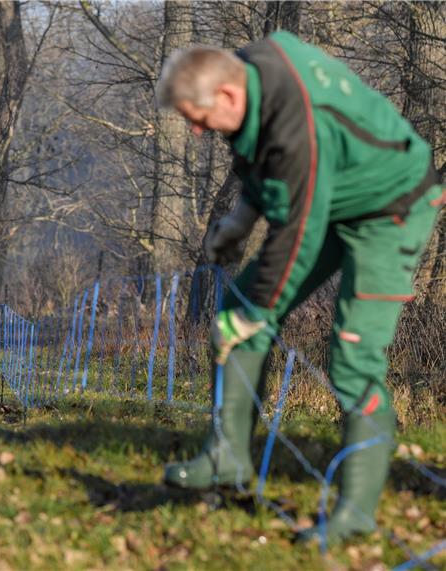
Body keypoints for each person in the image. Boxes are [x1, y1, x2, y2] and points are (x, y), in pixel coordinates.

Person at [156, 32, 441, 543]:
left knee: (352, 357)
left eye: (197, 118)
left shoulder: (294, 119)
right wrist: (239, 221)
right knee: (239, 304)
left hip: (391, 207)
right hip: (334, 196)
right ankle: (228, 458)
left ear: (225, 96)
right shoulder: (247, 75)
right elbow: (256, 160)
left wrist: (256, 312)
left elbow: (298, 233)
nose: (197, 131)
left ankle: (355, 513)